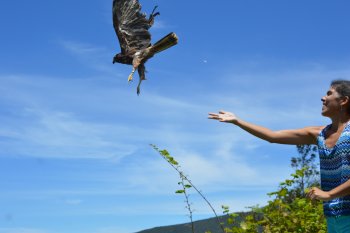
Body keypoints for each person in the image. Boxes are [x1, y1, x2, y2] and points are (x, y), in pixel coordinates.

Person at [208, 80, 350, 233]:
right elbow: (273, 136)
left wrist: (329, 194)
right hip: (333, 216)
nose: (323, 98)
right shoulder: (319, 134)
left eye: (329, 93)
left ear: (343, 100)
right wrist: (238, 121)